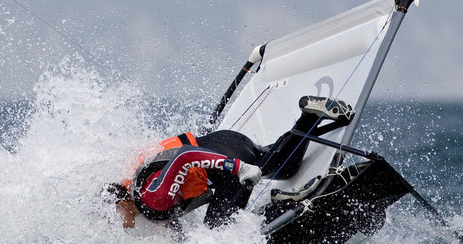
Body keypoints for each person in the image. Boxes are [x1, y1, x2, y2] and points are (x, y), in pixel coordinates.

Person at [109, 96, 352, 230]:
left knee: (219, 236)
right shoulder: (140, 187)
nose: (117, 223)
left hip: (224, 163)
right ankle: (309, 117)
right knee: (281, 164)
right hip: (224, 142)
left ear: (122, 202)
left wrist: (239, 168)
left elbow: (185, 156)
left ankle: (286, 202)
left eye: (113, 214)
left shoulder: (151, 199)